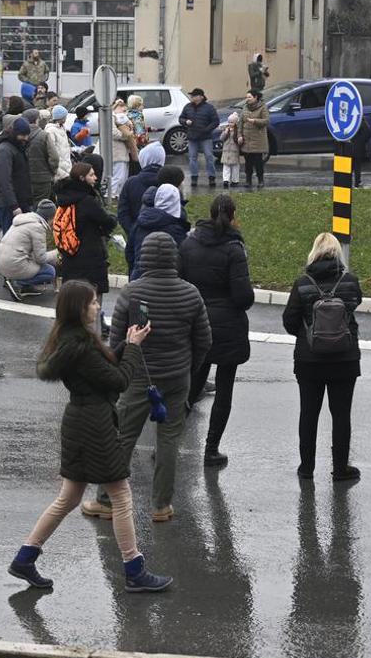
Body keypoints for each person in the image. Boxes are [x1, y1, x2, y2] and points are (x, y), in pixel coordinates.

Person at [8, 280, 172, 594]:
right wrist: (135, 349)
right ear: (80, 308)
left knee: (68, 498)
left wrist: (125, 344)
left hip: (79, 423)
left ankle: (25, 558)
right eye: (93, 302)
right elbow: (120, 380)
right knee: (121, 496)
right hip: (94, 426)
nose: (98, 306)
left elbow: (103, 370)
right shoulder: (81, 346)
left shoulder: (71, 340)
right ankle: (134, 570)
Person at [83, 232, 210, 523]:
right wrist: (189, 367)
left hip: (138, 376)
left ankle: (106, 500)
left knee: (123, 437)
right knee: (168, 442)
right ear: (174, 258)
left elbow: (115, 341)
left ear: (144, 257)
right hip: (177, 377)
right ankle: (161, 505)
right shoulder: (190, 293)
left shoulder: (131, 292)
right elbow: (204, 340)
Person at [281, 232, 363, 481]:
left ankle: (307, 468)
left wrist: (308, 335)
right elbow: (354, 304)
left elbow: (289, 321)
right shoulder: (349, 281)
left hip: (309, 361)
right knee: (341, 415)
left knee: (308, 413)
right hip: (345, 359)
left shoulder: (302, 283)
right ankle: (340, 468)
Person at [180, 193, 253, 468]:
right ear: (233, 217)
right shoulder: (234, 249)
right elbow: (243, 296)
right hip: (227, 327)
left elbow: (179, 281)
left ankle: (168, 440)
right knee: (224, 389)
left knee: (191, 385)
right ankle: (211, 449)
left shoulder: (188, 244)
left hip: (195, 323)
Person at [53, 162, 115, 294]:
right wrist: (112, 218)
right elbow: (108, 221)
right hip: (90, 257)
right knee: (92, 301)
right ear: (82, 178)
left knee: (73, 301)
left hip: (70, 255)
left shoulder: (63, 199)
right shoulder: (87, 201)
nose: (95, 178)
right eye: (91, 175)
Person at [0, 201, 59, 301]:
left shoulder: (24, 220)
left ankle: (23, 286)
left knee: (39, 265)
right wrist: (57, 253)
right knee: (50, 271)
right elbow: (41, 258)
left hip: (1, 261)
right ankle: (17, 283)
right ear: (49, 217)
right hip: (13, 263)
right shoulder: (38, 227)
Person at [128, 182, 188, 280]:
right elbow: (182, 259)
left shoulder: (140, 223)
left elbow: (129, 252)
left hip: (139, 276)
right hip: (167, 281)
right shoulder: (175, 229)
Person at [116, 141, 167, 241]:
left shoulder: (131, 182)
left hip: (137, 234)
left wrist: (133, 232)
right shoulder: (170, 181)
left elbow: (123, 213)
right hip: (165, 237)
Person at [178, 88, 219, 191]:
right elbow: (180, 118)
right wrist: (185, 121)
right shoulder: (187, 107)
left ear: (200, 97)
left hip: (205, 137)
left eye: (194, 96)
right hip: (192, 137)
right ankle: (194, 178)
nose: (192, 97)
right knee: (192, 158)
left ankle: (211, 177)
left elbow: (215, 121)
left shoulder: (209, 108)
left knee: (209, 157)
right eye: (191, 96)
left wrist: (206, 130)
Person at [238, 91, 270, 189]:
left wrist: (255, 121)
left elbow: (266, 121)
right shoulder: (245, 107)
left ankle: (260, 180)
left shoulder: (263, 107)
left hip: (258, 140)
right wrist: (239, 135)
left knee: (258, 162)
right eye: (246, 97)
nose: (247, 99)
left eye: (250, 97)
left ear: (256, 97)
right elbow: (241, 123)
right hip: (247, 139)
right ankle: (248, 180)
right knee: (248, 162)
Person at [218, 113, 243, 190]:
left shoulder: (238, 130)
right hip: (226, 152)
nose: (230, 124)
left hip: (234, 151)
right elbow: (221, 138)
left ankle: (235, 180)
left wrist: (240, 139)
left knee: (235, 167)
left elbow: (240, 140)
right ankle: (226, 180)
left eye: (232, 122)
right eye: (229, 122)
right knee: (226, 166)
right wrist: (225, 132)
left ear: (235, 123)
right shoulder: (226, 129)